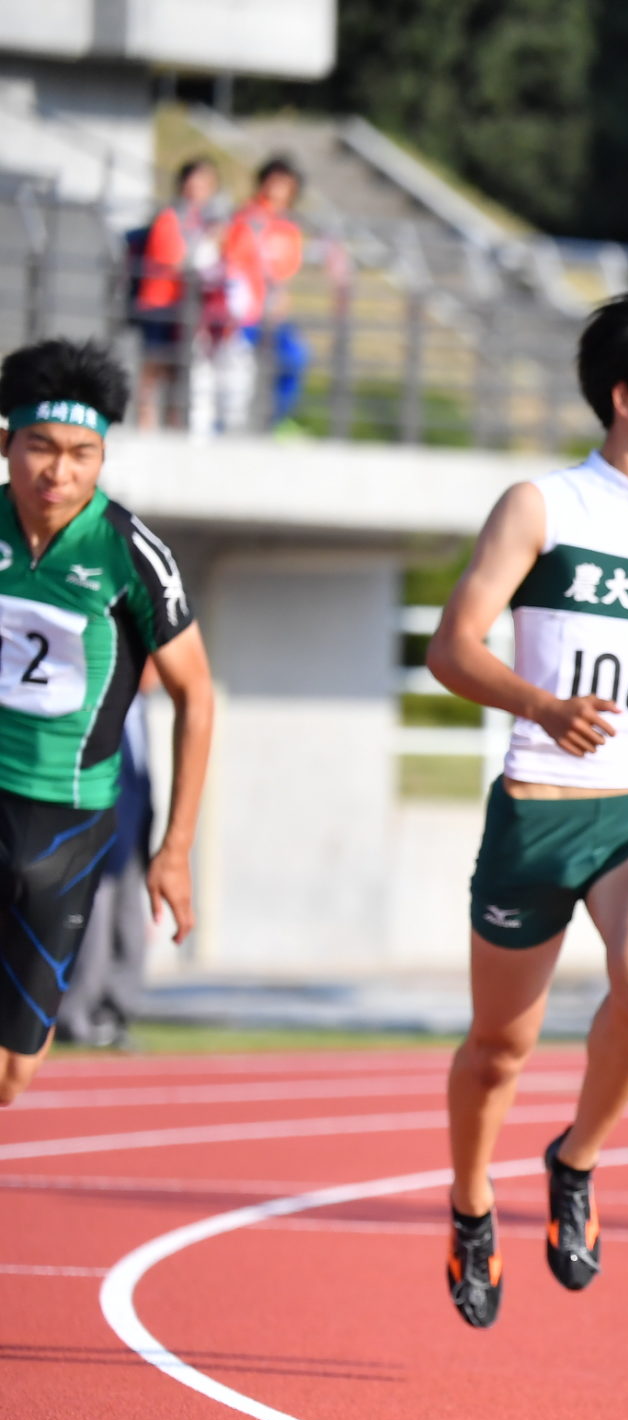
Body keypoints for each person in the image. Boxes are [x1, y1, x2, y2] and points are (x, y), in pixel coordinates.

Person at [427, 291, 628, 1329]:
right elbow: (453, 647)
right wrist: (538, 704)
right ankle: (472, 1203)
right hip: (538, 805)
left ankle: (576, 1159)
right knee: (499, 1049)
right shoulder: (540, 506)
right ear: (624, 395)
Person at [0, 338, 215, 1097]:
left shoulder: (130, 550)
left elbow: (197, 694)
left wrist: (175, 847)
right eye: (41, 448)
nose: (59, 473)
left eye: (82, 454)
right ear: (5, 444)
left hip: (68, 821)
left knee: (14, 1066)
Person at [59, 691, 157, 1048]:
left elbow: (143, 782)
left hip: (133, 838)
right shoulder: (100, 700)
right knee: (92, 935)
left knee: (129, 932)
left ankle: (115, 1015)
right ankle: (75, 1018)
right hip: (97, 838)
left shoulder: (141, 710)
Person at [211, 157, 304, 436]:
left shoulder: (288, 229)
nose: (277, 189)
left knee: (295, 359)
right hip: (244, 316)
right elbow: (232, 263)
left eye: (284, 184)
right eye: (273, 181)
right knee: (236, 379)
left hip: (272, 314)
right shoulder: (245, 219)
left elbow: (285, 274)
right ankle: (220, 430)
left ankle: (276, 422)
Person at [132, 159, 224, 432]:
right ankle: (145, 425)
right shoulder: (170, 217)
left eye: (206, 183)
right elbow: (173, 260)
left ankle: (172, 425)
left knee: (177, 372)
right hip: (161, 303)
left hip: (187, 309)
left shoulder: (205, 221)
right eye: (194, 180)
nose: (198, 188)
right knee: (154, 367)